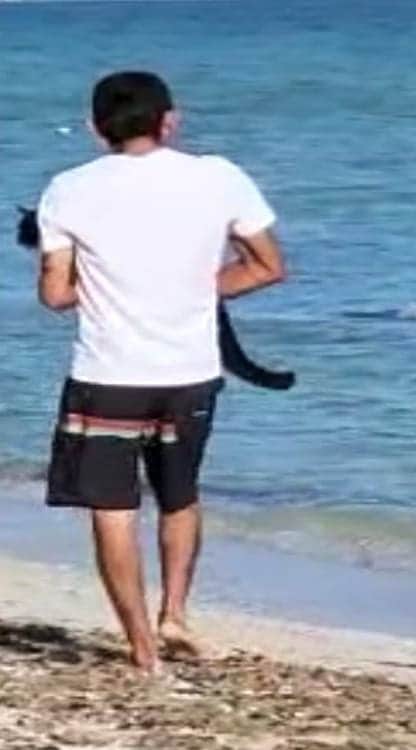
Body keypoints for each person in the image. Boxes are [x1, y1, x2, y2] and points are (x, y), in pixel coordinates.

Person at [35, 71, 288, 674]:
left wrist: (106, 287)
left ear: (96, 129)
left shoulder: (68, 189)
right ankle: (175, 614)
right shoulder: (219, 177)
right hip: (189, 371)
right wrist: (198, 289)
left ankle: (142, 647)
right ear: (170, 121)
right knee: (180, 497)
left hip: (107, 374)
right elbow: (267, 266)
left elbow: (55, 294)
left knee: (112, 509)